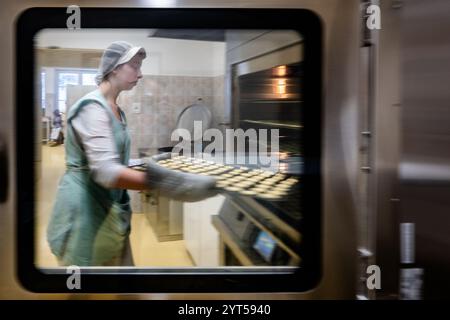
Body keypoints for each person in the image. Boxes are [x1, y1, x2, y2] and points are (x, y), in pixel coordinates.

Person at [47, 41, 217, 267]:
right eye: (135, 66)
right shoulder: (92, 108)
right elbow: (107, 171)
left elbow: (113, 160)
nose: (140, 74)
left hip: (109, 206)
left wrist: (147, 162)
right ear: (115, 67)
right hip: (85, 210)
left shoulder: (116, 109)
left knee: (123, 276)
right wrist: (170, 183)